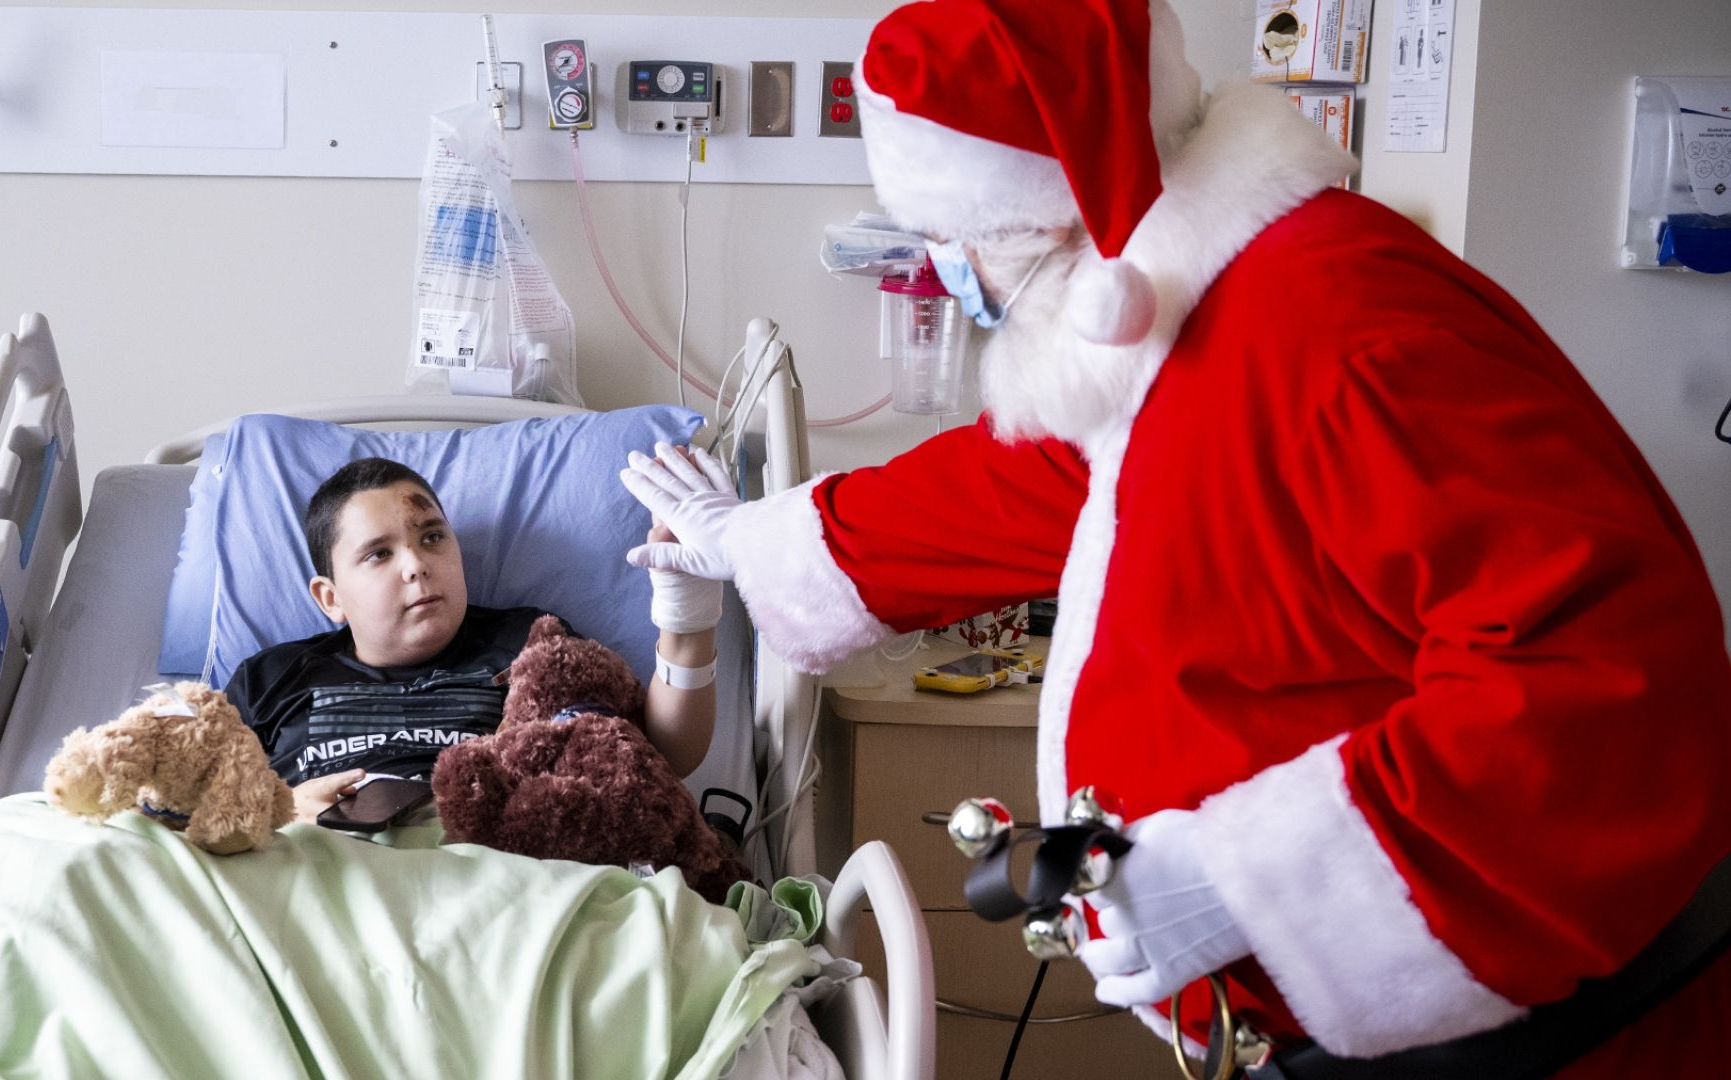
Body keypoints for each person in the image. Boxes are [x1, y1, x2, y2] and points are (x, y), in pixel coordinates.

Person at [619, 0, 1731, 1075]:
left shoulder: (1341, 328)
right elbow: (1023, 481)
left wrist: (1243, 881)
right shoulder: (1196, 312)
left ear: (1047, 215)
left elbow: (1613, 678)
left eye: (948, 244)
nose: (949, 280)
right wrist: (752, 538)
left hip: (1550, 1040)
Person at [226, 457, 720, 825]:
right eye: (378, 554)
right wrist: (281, 810)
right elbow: (189, 801)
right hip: (314, 868)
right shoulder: (270, 679)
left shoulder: (532, 643)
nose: (416, 564)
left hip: (490, 862)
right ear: (330, 597)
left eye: (432, 537)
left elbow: (660, 759)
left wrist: (687, 616)